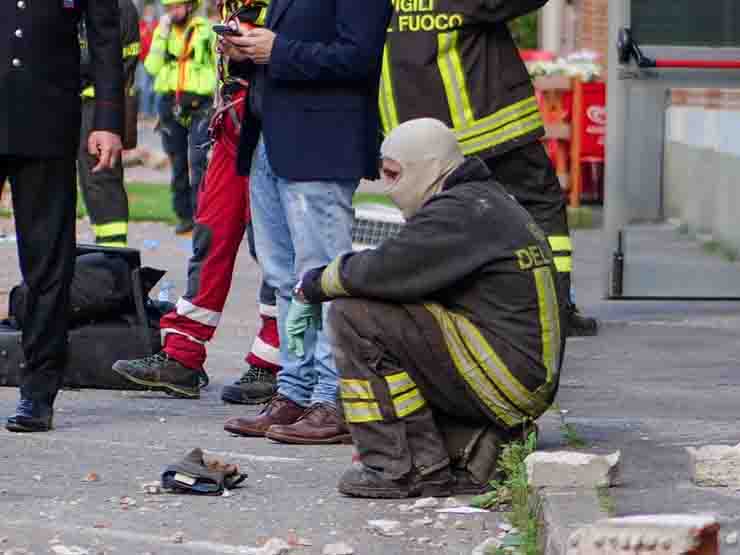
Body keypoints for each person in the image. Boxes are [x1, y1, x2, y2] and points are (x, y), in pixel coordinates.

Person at [288, 119, 563, 497]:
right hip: (517, 376)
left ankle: (401, 467)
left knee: (355, 316)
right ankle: (472, 444)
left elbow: (386, 268)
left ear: (428, 168)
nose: (388, 189)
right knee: (391, 312)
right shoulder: (482, 201)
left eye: (393, 174)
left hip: (505, 373)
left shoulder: (460, 210)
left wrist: (314, 285)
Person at [216, 0, 393, 443]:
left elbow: (359, 56)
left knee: (323, 277)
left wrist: (279, 50)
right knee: (283, 278)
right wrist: (247, 52)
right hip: (271, 140)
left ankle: (334, 399)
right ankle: (295, 391)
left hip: (319, 145)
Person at [379, 0, 598, 337]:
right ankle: (554, 306)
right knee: (539, 205)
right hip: (489, 128)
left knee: (433, 220)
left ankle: (444, 307)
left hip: (411, 137)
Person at [113, 0, 282, 404]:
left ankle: (274, 361)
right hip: (232, 120)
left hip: (276, 117)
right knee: (211, 235)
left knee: (275, 247)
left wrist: (261, 48)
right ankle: (182, 356)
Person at [1, 0, 123, 433]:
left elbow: (107, 35)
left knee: (48, 260)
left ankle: (38, 388)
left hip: (46, 115)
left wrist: (108, 119)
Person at [144, 0, 217, 235]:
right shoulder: (161, 31)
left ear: (190, 6)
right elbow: (152, 68)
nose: (173, 11)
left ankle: (201, 216)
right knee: (177, 164)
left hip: (200, 104)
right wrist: (161, 36)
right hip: (170, 103)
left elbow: (217, 66)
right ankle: (184, 216)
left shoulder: (205, 30)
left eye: (178, 6)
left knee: (198, 161)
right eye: (169, 7)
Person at [78, 0, 140, 248]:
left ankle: (112, 254)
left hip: (97, 106)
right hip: (79, 102)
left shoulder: (120, 7)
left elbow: (116, 58)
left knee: (101, 179)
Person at [137, 4, 159, 120]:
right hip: (144, 61)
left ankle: (155, 113)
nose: (149, 14)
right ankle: (144, 112)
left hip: (156, 62)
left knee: (156, 88)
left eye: (151, 12)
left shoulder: (157, 26)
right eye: (147, 12)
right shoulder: (141, 26)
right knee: (144, 87)